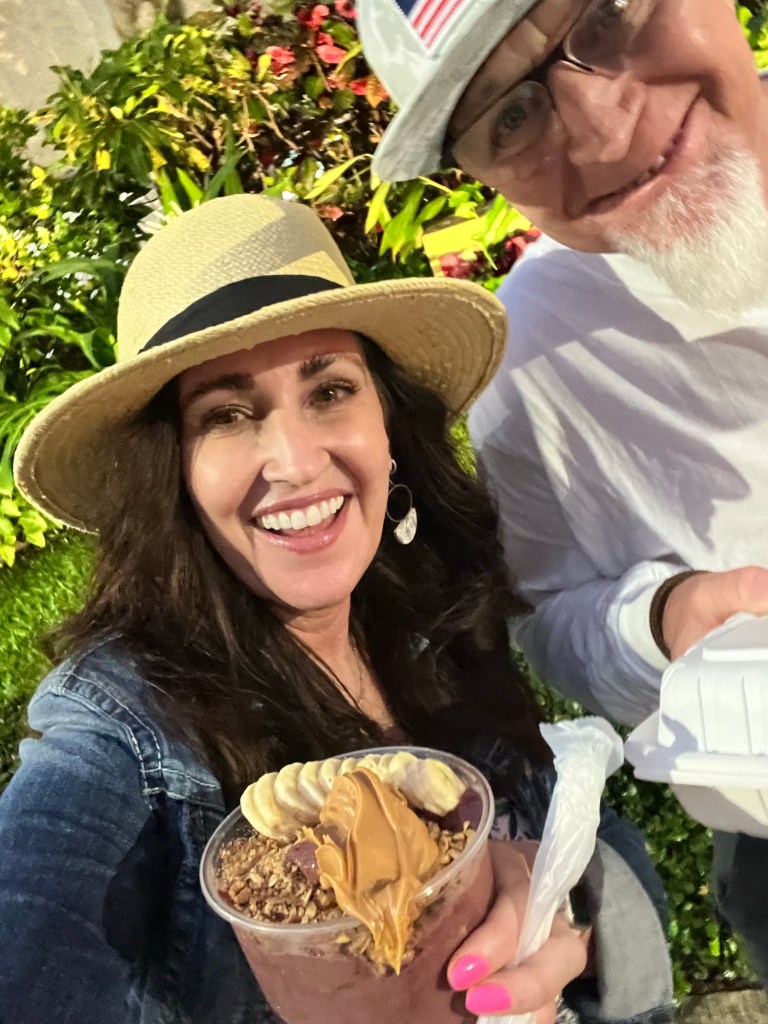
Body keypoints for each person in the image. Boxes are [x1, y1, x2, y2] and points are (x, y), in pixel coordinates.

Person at [0, 194, 671, 1024]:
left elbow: (595, 840)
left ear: (388, 427)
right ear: (172, 472)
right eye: (227, 414)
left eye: (329, 391)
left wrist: (561, 902)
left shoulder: (434, 620)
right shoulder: (126, 735)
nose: (295, 461)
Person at [357, 0, 768, 985]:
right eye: (509, 115)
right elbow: (549, 616)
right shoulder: (533, 355)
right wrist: (663, 617)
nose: (601, 126)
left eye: (608, 12)